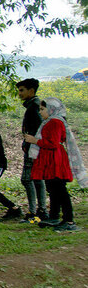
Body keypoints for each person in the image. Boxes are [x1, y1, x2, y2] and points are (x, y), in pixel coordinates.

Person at [24, 98, 87, 232]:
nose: (40, 112)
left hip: (55, 158)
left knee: (60, 190)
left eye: (42, 109)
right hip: (50, 158)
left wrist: (35, 140)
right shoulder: (50, 121)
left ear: (51, 109)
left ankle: (69, 220)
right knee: (52, 188)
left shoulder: (55, 122)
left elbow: (53, 143)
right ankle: (54, 217)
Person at [16, 78, 47, 222]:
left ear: (31, 91)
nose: (19, 94)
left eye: (22, 90)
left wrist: (32, 143)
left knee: (27, 179)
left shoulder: (34, 107)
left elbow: (40, 129)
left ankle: (34, 212)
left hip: (34, 148)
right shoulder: (34, 105)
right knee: (37, 179)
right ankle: (41, 210)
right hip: (35, 147)